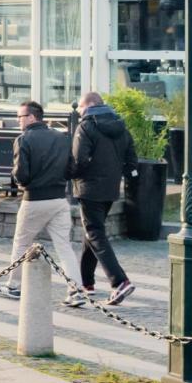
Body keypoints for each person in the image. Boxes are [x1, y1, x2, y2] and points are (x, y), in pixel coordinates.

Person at [67, 91, 137, 308]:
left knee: (95, 233)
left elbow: (79, 159)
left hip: (89, 189)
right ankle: (86, 282)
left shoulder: (86, 127)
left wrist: (70, 175)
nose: (78, 111)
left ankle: (120, 281)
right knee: (92, 234)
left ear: (89, 106)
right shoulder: (121, 127)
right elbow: (131, 160)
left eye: (80, 107)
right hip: (110, 189)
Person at [4, 100, 73, 300]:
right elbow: (70, 168)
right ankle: (75, 290)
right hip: (59, 199)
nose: (18, 121)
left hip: (34, 199)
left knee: (21, 243)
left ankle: (14, 285)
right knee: (64, 247)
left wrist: (18, 180)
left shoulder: (23, 139)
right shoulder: (62, 138)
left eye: (21, 117)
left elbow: (21, 173)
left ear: (32, 117)